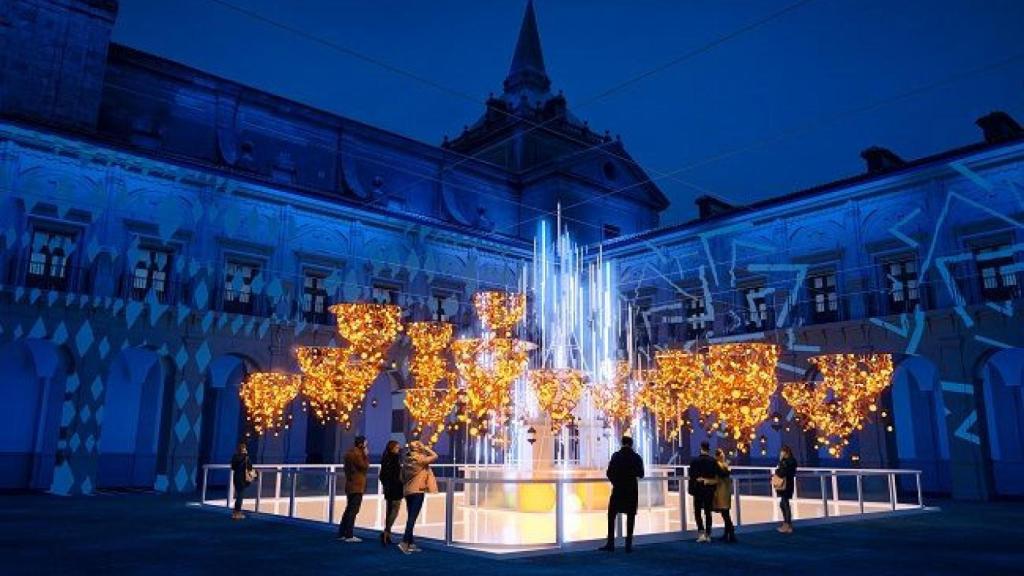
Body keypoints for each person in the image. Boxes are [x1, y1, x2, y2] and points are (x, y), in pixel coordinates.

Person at [598, 435, 645, 553]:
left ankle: (610, 543)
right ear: (632, 444)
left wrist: (616, 482)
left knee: (611, 515)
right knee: (630, 516)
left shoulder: (616, 456)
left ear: (621, 443)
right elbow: (641, 474)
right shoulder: (636, 457)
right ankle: (628, 545)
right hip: (631, 490)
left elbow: (609, 472)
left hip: (618, 489)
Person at [399, 441, 438, 555]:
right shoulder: (420, 459)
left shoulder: (406, 460)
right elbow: (435, 456)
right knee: (412, 519)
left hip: (408, 491)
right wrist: (426, 448)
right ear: (418, 448)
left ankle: (410, 543)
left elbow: (401, 477)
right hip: (417, 491)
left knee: (410, 516)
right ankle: (404, 542)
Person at [338, 436, 370, 543]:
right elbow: (364, 466)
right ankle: (349, 534)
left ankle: (342, 533)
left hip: (350, 484)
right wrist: (365, 455)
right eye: (365, 444)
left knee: (348, 510)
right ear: (361, 444)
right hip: (357, 486)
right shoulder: (358, 455)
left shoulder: (349, 453)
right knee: (353, 510)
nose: (366, 446)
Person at [688, 441, 718, 543]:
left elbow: (692, 476)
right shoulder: (713, 461)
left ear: (701, 448)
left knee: (697, 511)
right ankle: (708, 534)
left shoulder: (695, 461)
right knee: (708, 512)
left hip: (698, 489)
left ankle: (701, 533)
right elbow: (716, 475)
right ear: (708, 449)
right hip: (709, 489)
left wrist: (692, 489)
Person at [379, 440, 404, 546]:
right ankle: (386, 532)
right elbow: (397, 475)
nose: (399, 449)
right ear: (393, 448)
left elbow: (381, 476)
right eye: (397, 447)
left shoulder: (385, 458)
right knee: (394, 511)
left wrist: (386, 484)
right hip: (396, 489)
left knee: (389, 511)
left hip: (388, 489)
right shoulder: (395, 458)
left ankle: (387, 534)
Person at [712, 449, 737, 543]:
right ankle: (727, 534)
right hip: (725, 491)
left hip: (721, 491)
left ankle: (731, 534)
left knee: (725, 514)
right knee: (725, 513)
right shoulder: (724, 465)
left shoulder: (718, 465)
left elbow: (721, 475)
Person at [775, 445, 798, 534]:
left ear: (785, 452)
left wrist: (780, 464)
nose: (781, 453)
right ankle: (787, 524)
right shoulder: (792, 461)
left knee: (785, 504)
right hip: (789, 484)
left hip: (785, 485)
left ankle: (787, 524)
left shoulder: (785, 462)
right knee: (783, 504)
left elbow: (781, 473)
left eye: (782, 452)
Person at [230, 442, 254, 520]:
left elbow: (233, 467)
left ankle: (235, 512)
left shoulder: (235, 456)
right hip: (243, 478)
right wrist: (246, 456)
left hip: (236, 477)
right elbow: (250, 468)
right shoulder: (246, 457)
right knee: (240, 496)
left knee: (238, 494)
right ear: (244, 449)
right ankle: (238, 513)